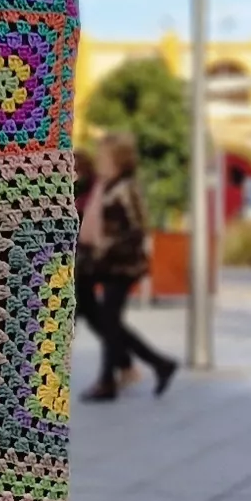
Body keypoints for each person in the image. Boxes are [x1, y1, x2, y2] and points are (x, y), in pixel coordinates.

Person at [76, 133, 175, 402]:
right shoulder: (105, 185)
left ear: (117, 158)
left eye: (104, 155)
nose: (99, 159)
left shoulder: (125, 186)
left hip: (121, 265)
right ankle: (158, 364)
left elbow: (135, 228)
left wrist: (104, 244)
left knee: (108, 321)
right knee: (104, 319)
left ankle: (109, 382)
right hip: (101, 262)